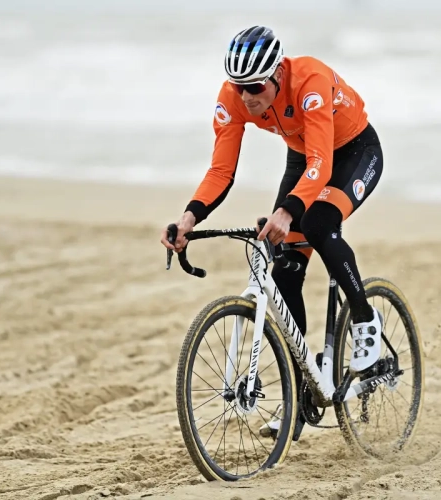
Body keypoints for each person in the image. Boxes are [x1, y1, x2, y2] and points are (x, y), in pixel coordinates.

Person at [160, 25, 384, 440]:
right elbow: (221, 170)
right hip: (303, 158)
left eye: (256, 87)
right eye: (239, 86)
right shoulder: (234, 98)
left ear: (278, 74)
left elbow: (322, 161)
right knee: (284, 272)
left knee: (316, 223)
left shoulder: (310, 81)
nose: (247, 96)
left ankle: (366, 321)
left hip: (354, 151)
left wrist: (288, 211)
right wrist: (190, 218)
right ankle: (300, 401)